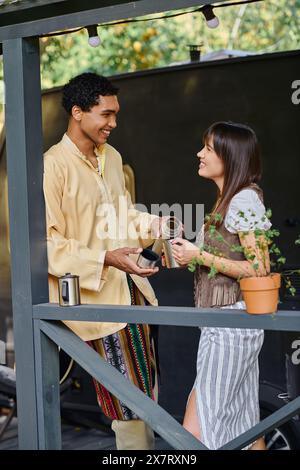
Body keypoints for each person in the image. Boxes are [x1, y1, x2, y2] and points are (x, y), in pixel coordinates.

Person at [43, 73, 162, 450]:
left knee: (144, 391)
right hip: (96, 302)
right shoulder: (52, 166)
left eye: (116, 114)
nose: (113, 123)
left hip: (135, 290)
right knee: (126, 403)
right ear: (77, 112)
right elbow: (45, 244)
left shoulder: (113, 158)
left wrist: (158, 224)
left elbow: (124, 216)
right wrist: (106, 258)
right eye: (106, 114)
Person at [171, 121, 271, 450]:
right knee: (244, 423)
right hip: (228, 324)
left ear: (229, 157)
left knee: (196, 431)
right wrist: (189, 256)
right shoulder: (229, 200)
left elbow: (259, 269)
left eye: (209, 149)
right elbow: (222, 260)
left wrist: (200, 255)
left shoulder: (243, 200)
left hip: (230, 326)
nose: (199, 154)